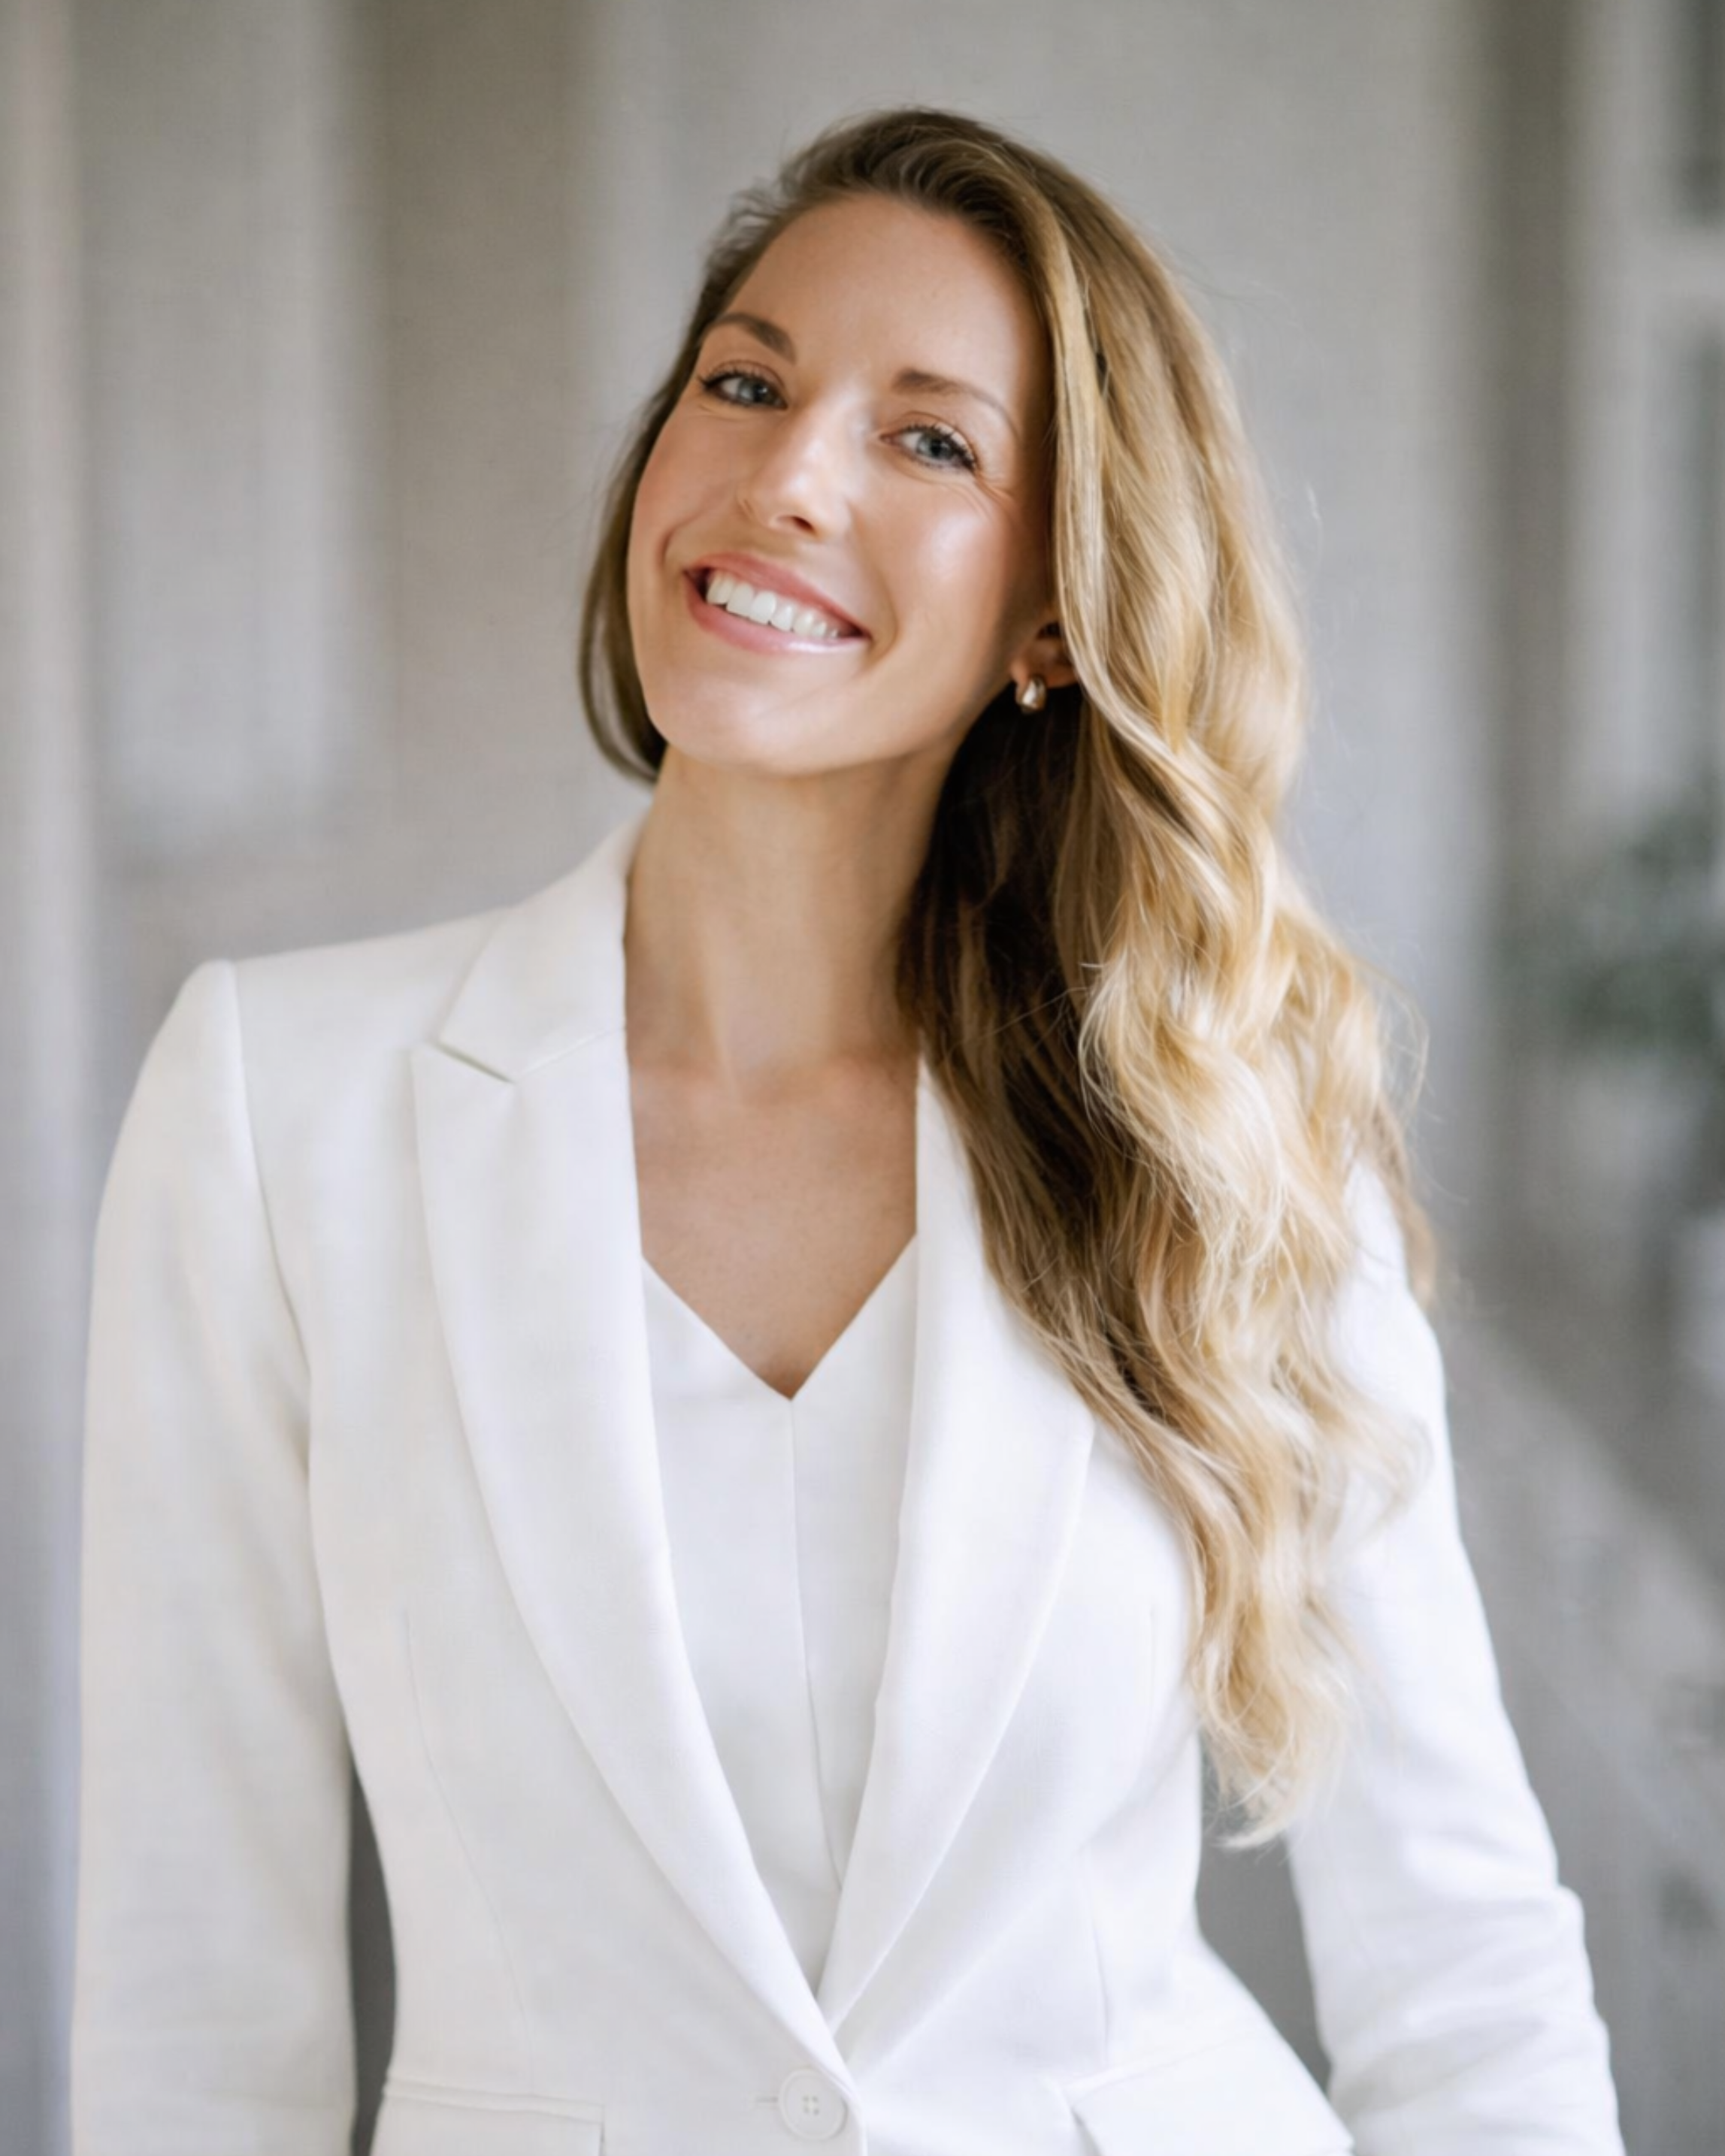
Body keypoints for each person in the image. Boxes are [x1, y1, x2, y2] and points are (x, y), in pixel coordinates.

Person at [70, 105, 1624, 2156]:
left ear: (1053, 615)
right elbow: (194, 1993)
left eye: (927, 440)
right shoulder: (282, 1110)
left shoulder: (1215, 1136)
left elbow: (1459, 1955)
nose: (785, 476)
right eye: (745, 379)